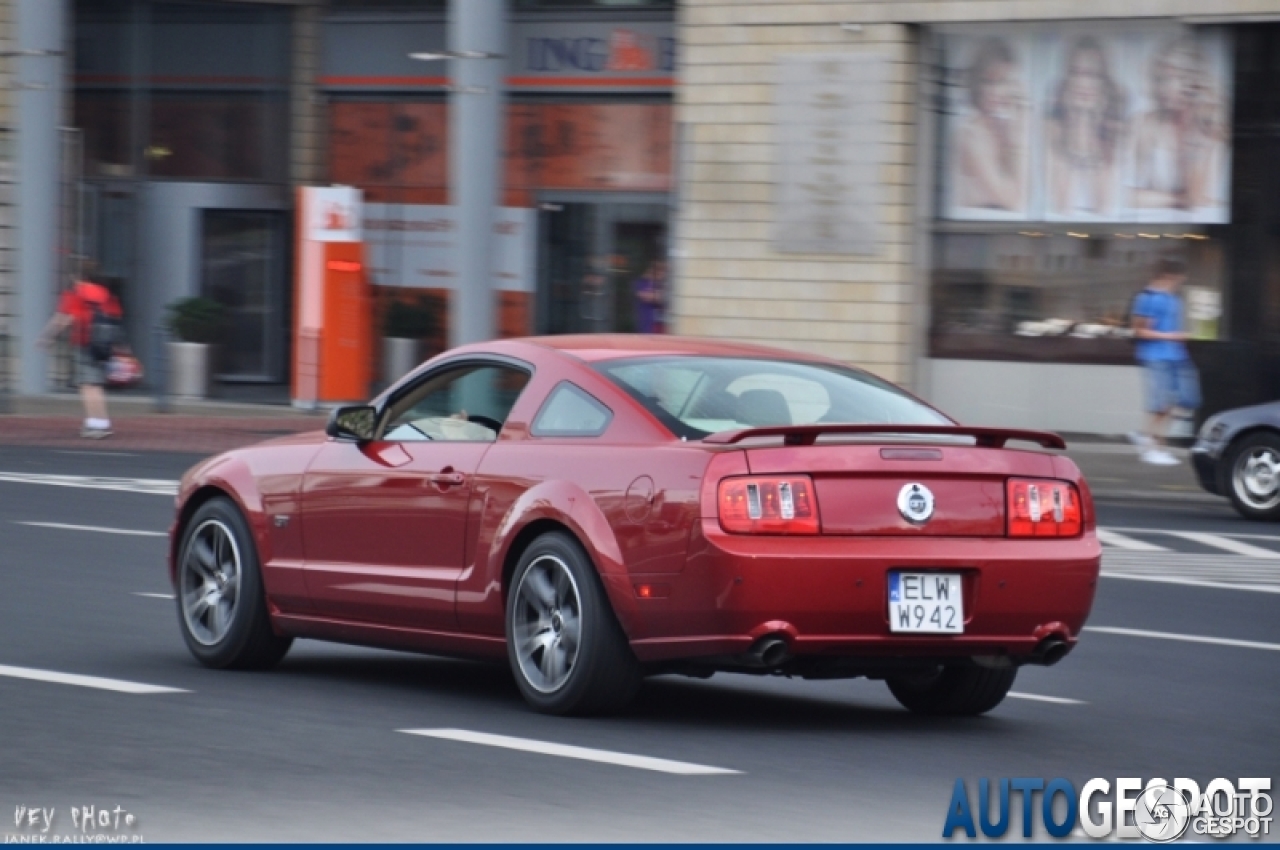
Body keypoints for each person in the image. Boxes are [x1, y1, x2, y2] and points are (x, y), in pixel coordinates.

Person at [1129, 36, 1227, 212]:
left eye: (1180, 78)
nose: (1168, 88)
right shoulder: (1142, 123)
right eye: (1162, 79)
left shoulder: (1212, 127)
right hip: (1151, 225)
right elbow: (1124, 195)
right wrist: (1175, 199)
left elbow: (1197, 200)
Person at [1129, 255, 1200, 465]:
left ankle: (1146, 437)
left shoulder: (1174, 299)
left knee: (1187, 399)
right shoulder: (1148, 297)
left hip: (1177, 356)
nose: (1180, 283)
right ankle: (1154, 445)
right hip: (1156, 356)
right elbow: (1140, 331)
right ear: (1169, 276)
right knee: (1161, 404)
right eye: (1178, 279)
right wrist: (1172, 336)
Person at [1045, 36, 1127, 217]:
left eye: (1092, 74)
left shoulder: (1116, 126)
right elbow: (1061, 206)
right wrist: (1078, 121)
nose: (1083, 83)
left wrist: (1091, 123)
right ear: (1067, 78)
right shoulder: (1052, 124)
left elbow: (1104, 207)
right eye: (1076, 72)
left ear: (1104, 80)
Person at [39, 274, 122, 439]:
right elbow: (117, 315)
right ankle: (103, 423)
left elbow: (63, 319)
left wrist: (47, 337)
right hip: (103, 344)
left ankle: (95, 425)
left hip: (84, 342)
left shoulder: (77, 294)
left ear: (77, 279)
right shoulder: (104, 293)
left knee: (87, 386)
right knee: (97, 385)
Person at [954, 38, 1028, 213]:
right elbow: (1015, 201)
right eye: (989, 82)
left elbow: (1026, 197)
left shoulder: (1002, 128)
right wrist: (1019, 137)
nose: (995, 92)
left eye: (1003, 81)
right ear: (976, 83)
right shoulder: (971, 134)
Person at [633, 259, 667, 335]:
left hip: (660, 323)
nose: (661, 273)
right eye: (658, 270)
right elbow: (645, 296)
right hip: (646, 320)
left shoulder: (663, 284)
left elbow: (663, 298)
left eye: (662, 271)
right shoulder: (641, 282)